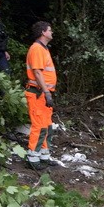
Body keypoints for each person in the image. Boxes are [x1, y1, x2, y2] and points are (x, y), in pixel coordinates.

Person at [25, 21, 57, 169]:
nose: (52, 32)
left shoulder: (43, 49)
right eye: (49, 30)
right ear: (43, 32)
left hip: (44, 93)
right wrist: (45, 91)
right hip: (38, 93)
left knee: (47, 125)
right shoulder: (37, 49)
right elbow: (37, 72)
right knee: (39, 125)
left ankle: (44, 155)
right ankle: (32, 157)